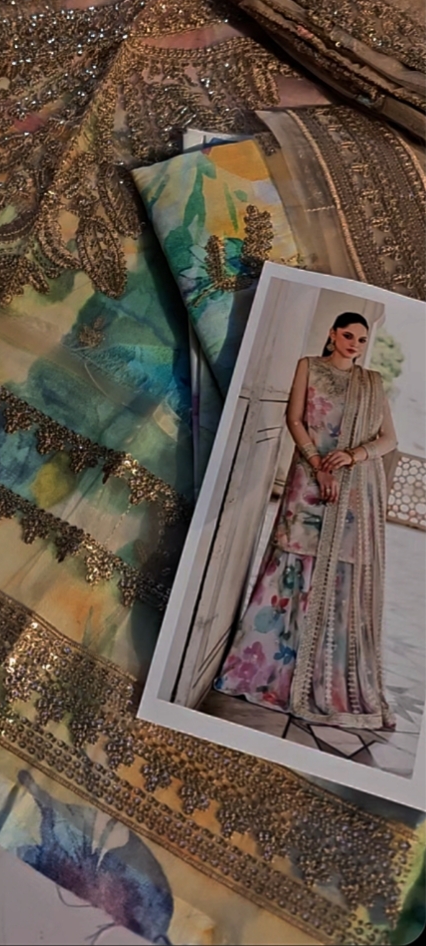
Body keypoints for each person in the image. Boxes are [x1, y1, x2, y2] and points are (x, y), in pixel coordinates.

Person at [214, 312, 398, 729]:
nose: (354, 344)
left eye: (361, 339)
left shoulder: (372, 383)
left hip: (352, 491)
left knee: (339, 573)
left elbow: (390, 439)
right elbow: (294, 420)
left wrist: (351, 456)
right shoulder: (309, 367)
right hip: (309, 479)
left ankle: (325, 676)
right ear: (332, 334)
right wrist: (319, 465)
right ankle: (262, 671)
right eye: (347, 335)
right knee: (290, 561)